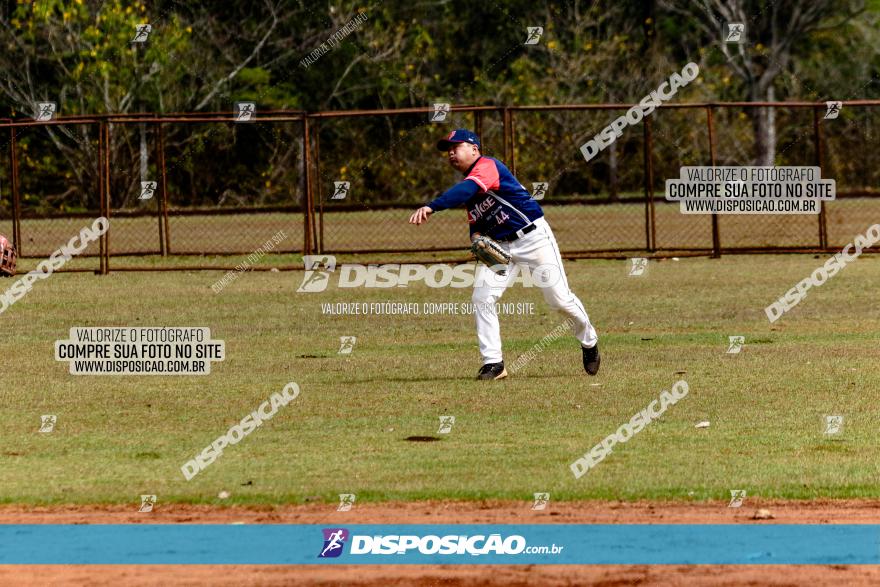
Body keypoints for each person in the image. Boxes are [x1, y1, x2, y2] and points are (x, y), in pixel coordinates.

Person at [408, 129, 600, 380]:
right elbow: (475, 223)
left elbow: (464, 191)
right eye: (448, 150)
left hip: (533, 239)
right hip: (503, 248)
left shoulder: (487, 166)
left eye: (456, 147)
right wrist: (476, 240)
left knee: (559, 300)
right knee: (482, 297)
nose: (451, 153)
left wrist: (432, 206)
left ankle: (589, 340)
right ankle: (494, 363)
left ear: (474, 149)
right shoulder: (471, 191)